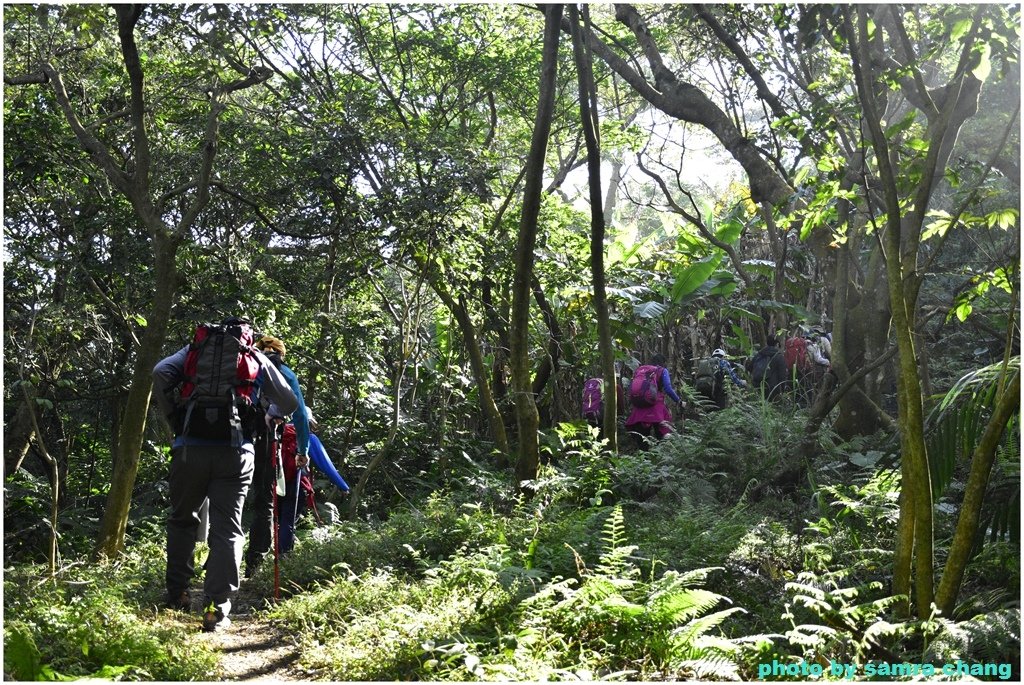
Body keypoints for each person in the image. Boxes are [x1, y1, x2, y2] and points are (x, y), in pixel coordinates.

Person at [153, 317, 298, 633]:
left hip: (189, 447)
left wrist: (174, 420)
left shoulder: (194, 349)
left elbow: (160, 372)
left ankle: (177, 592)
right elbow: (288, 400)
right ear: (247, 336)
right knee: (227, 529)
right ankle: (215, 610)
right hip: (236, 451)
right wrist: (269, 415)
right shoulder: (254, 355)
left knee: (181, 519)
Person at [243, 335, 311, 579]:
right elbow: (300, 415)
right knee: (265, 500)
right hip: (267, 441)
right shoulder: (285, 372)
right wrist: (303, 451)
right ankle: (254, 563)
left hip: (235, 437)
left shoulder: (247, 365)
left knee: (230, 500)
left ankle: (217, 559)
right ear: (281, 354)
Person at [624, 353, 684, 445]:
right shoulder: (662, 370)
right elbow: (668, 389)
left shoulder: (641, 370)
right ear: (663, 362)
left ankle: (643, 457)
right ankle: (659, 456)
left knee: (643, 438)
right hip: (656, 407)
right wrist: (678, 401)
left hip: (640, 407)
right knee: (662, 435)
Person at [749, 336, 788, 401]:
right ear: (777, 344)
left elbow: (749, 367)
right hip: (772, 388)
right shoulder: (779, 357)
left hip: (758, 385)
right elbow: (782, 375)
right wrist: (782, 390)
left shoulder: (759, 354)